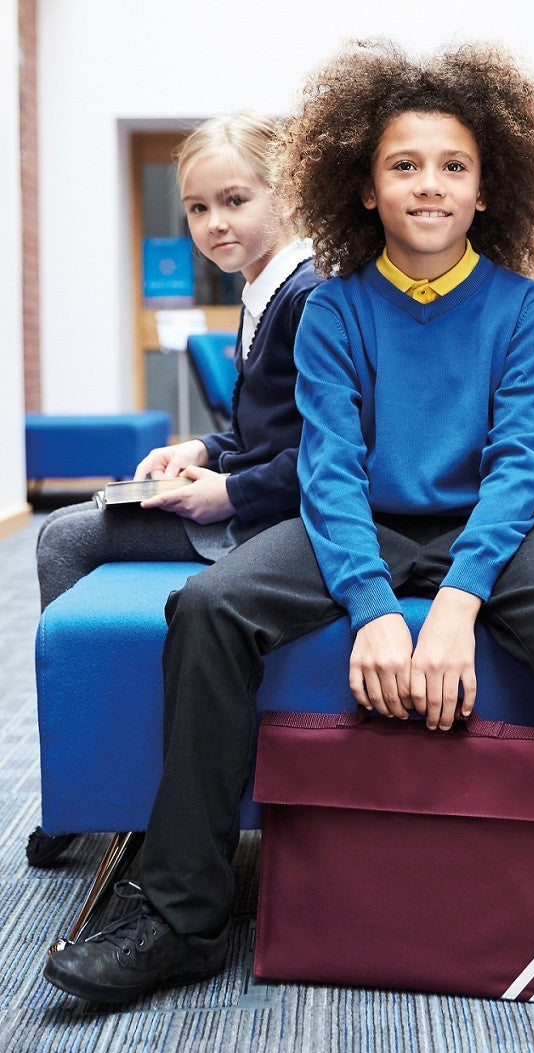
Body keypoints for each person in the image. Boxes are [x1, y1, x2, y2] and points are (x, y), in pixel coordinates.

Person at [43, 40, 534, 1021]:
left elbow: (520, 469)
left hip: (492, 529)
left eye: (453, 165)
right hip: (356, 524)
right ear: (364, 189)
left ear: (487, 188)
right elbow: (328, 471)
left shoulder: (522, 308)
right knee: (208, 606)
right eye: (404, 164)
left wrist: (456, 602)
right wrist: (373, 606)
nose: (428, 184)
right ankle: (181, 914)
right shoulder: (333, 311)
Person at [30, 111, 322, 863]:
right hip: (255, 500)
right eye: (197, 208)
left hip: (273, 522)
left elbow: (328, 453)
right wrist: (202, 448)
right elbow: (265, 434)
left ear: (286, 193)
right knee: (87, 519)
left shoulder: (308, 296)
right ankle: (86, 774)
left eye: (234, 200)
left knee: (65, 538)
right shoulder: (264, 290)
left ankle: (85, 783)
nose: (213, 223)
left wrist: (226, 492)